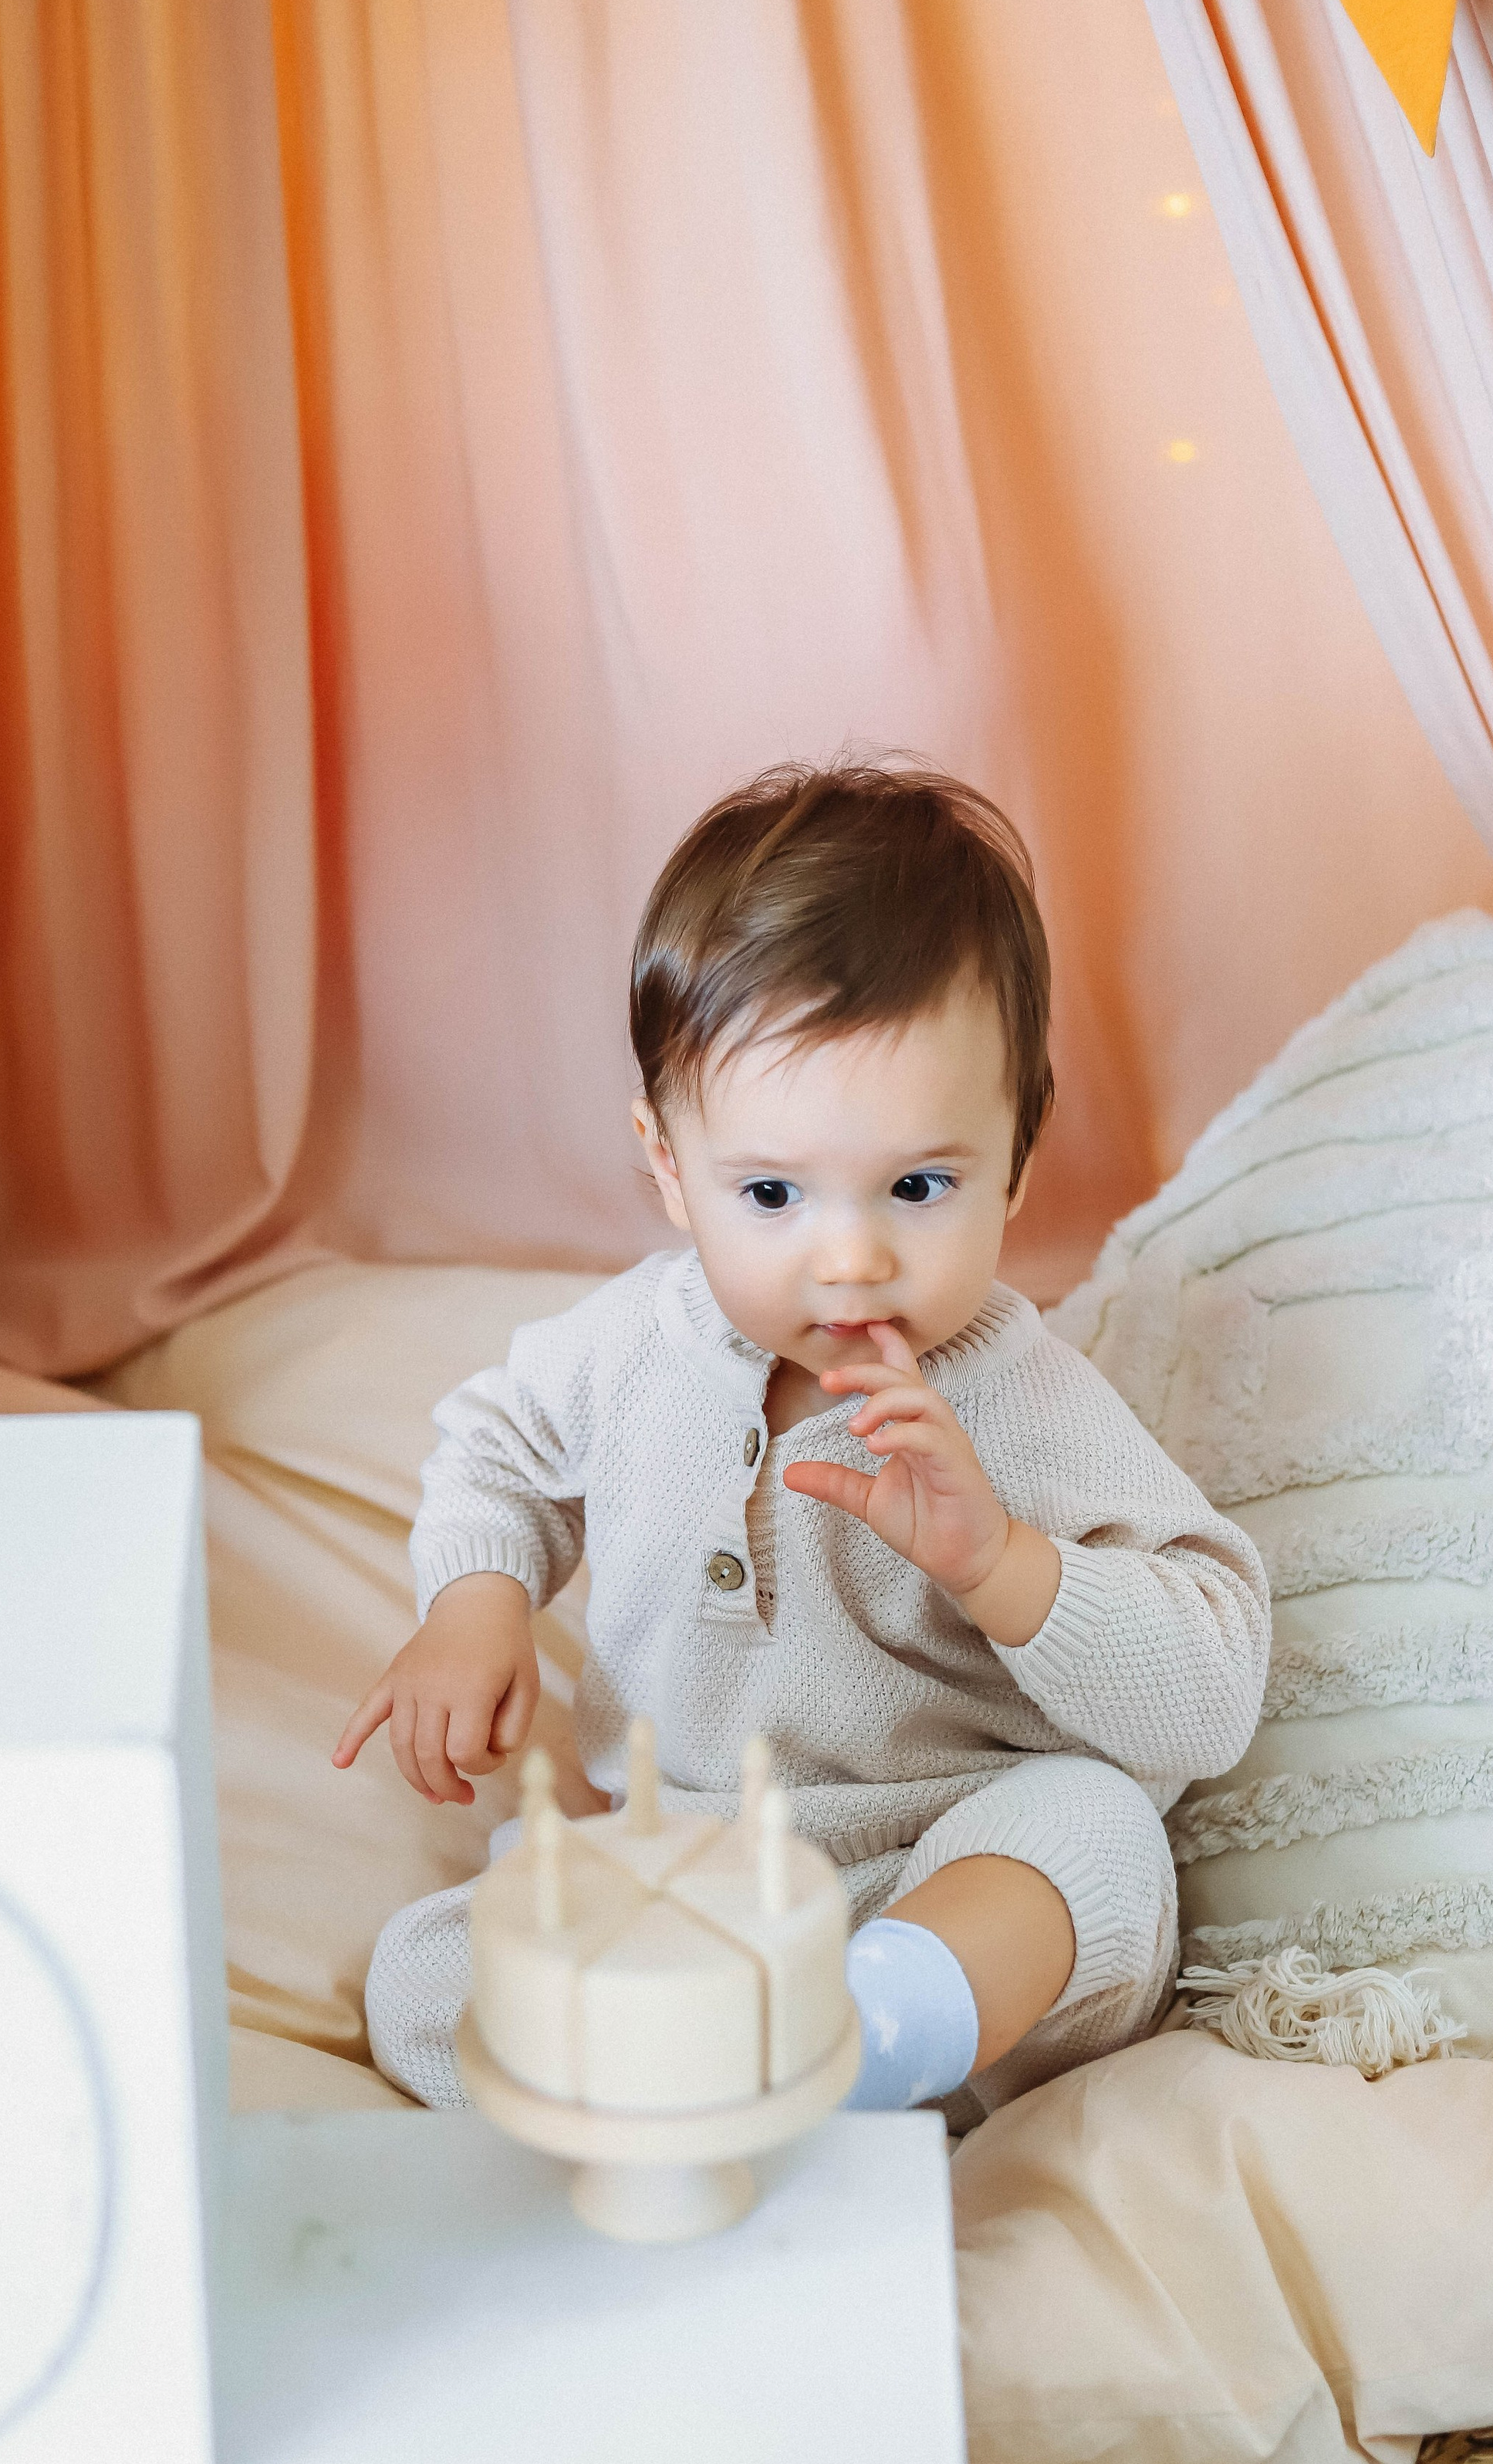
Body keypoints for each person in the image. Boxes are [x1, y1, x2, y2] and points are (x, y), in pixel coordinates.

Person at [337, 762, 1269, 2119]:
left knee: (1100, 1841)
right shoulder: (634, 1345)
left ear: (1019, 1155)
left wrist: (1003, 1562)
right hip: (687, 1878)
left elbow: (1212, 1689)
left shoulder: (1021, 1396)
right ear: (667, 1165)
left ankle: (853, 2053)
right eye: (770, 1191)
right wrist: (475, 1604)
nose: (850, 1256)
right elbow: (498, 1447)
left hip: (937, 1871)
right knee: (426, 1980)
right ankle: (702, 2079)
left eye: (919, 1186)